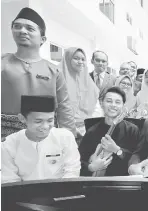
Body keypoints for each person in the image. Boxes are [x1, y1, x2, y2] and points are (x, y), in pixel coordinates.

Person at [1, 7, 75, 138]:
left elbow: (64, 108)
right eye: (17, 26)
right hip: (5, 135)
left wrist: (68, 140)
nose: (22, 31)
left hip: (44, 135)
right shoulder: (3, 63)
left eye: (30, 28)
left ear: (42, 39)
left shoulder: (54, 71)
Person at [2, 95, 80, 183]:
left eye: (50, 120)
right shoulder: (8, 144)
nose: (45, 126)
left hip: (60, 192)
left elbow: (72, 171)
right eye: (38, 121)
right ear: (22, 118)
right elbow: (9, 180)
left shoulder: (65, 137)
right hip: (25, 194)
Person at [79, 87, 140, 176]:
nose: (113, 105)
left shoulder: (132, 130)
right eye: (109, 101)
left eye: (118, 102)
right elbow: (79, 161)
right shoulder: (92, 131)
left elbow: (137, 159)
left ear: (123, 105)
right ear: (101, 103)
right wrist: (91, 167)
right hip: (97, 184)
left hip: (124, 183)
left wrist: (117, 150)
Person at [60, 48, 100, 140]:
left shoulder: (88, 82)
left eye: (83, 59)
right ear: (67, 59)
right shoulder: (59, 78)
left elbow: (96, 107)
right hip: (63, 129)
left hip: (87, 129)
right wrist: (72, 128)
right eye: (76, 58)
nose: (80, 62)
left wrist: (91, 128)